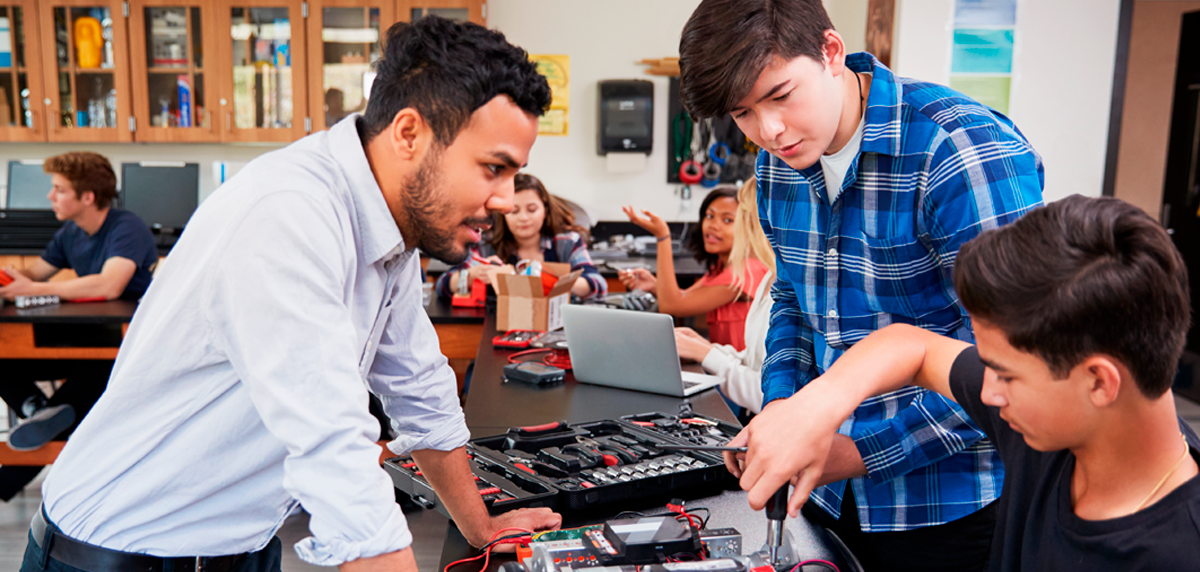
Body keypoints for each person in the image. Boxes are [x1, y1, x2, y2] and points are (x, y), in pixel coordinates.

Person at [23, 17, 559, 572]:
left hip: (242, 547)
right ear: (408, 134)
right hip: (121, 554)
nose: (504, 198)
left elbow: (419, 388)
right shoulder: (287, 213)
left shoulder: (390, 223)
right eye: (494, 168)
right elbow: (333, 448)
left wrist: (480, 524)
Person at [678, 1, 1046, 568]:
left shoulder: (958, 150)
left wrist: (854, 452)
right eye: (743, 113)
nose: (769, 131)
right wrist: (782, 415)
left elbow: (1015, 366)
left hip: (946, 507)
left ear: (830, 53)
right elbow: (795, 302)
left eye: (779, 96)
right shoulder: (777, 164)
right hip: (824, 490)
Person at [727, 196, 1200, 571]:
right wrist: (806, 413)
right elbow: (912, 347)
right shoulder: (1064, 419)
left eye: (1007, 376)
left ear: (1099, 381)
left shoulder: (1175, 552)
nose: (988, 394)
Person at [0, 151, 157, 499]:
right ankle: (40, 411)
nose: (50, 196)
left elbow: (109, 284)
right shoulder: (71, 232)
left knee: (97, 371)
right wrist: (12, 278)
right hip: (82, 339)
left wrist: (34, 289)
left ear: (87, 197)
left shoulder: (126, 227)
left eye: (58, 189)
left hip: (123, 349)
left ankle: (9, 474)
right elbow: (35, 273)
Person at [621, 187, 769, 350]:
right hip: (725, 366)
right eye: (710, 216)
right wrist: (655, 286)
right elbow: (685, 297)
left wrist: (663, 236)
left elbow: (673, 306)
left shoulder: (746, 272)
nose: (713, 225)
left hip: (740, 372)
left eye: (727, 220)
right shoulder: (721, 268)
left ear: (750, 228)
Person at [673, 177, 773, 413]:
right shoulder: (769, 279)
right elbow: (753, 360)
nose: (715, 226)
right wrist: (704, 347)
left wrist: (705, 353)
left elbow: (766, 395)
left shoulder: (751, 274)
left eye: (733, 219)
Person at [436, 172, 605, 300]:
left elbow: (598, 284)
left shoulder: (567, 242)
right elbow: (442, 286)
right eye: (514, 211)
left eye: (532, 210)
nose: (524, 218)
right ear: (503, 215)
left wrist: (554, 282)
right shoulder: (486, 245)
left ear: (545, 210)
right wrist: (472, 275)